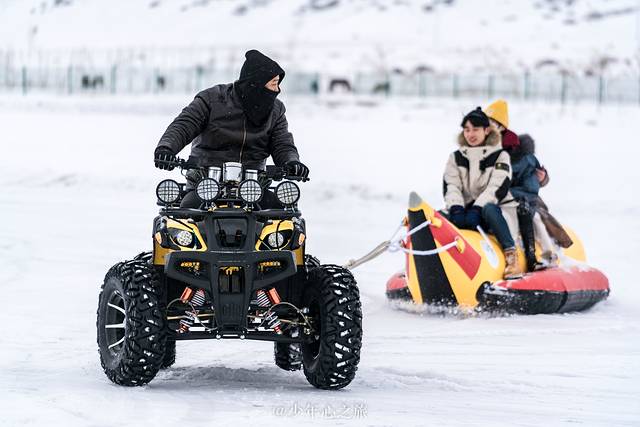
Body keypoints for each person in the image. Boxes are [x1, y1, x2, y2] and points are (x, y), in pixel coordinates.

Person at [153, 49, 309, 208]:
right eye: (274, 84)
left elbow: (282, 144)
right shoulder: (211, 99)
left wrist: (291, 161)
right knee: (187, 214)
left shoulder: (276, 110)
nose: (276, 90)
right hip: (204, 186)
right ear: (256, 83)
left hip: (254, 189)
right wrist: (166, 148)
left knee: (281, 217)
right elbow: (184, 125)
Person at [443, 107, 522, 279]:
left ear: (486, 130)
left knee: (489, 209)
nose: (470, 134)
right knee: (437, 217)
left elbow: (497, 186)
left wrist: (477, 208)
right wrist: (456, 208)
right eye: (467, 129)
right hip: (464, 211)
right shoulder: (455, 157)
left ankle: (511, 256)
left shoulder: (500, 155)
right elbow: (451, 185)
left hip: (495, 209)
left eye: (476, 129)